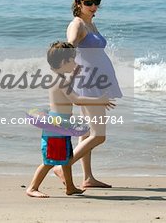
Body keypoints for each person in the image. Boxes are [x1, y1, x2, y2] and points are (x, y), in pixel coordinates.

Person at [53, 0, 122, 188]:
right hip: (88, 82)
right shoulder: (77, 25)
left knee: (85, 132)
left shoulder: (89, 24)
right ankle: (62, 166)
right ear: (78, 3)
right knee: (98, 135)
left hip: (96, 81)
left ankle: (88, 177)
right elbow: (69, 48)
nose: (93, 6)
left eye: (96, 2)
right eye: (88, 3)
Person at [26, 41, 115, 198]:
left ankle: (70, 187)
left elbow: (67, 92)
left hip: (62, 125)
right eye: (72, 60)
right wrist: (99, 100)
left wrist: (73, 75)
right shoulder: (61, 81)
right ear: (63, 62)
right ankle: (32, 188)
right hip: (56, 127)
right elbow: (77, 99)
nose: (75, 63)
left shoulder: (57, 78)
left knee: (67, 158)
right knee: (49, 160)